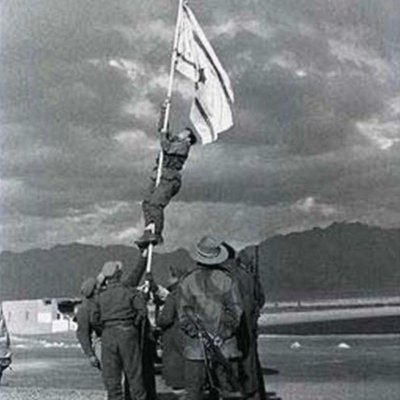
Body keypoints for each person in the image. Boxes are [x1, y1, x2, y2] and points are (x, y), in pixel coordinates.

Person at [177, 236, 243, 400]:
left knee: (194, 394)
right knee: (230, 394)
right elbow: (235, 311)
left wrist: (199, 335)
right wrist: (222, 334)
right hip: (225, 347)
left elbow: (183, 316)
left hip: (196, 349)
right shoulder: (227, 280)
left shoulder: (187, 281)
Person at [136, 101, 197, 248]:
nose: (180, 133)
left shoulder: (184, 146)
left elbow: (166, 146)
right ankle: (148, 230)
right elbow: (163, 128)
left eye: (184, 132)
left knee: (156, 204)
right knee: (147, 204)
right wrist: (164, 109)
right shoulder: (176, 141)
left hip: (169, 178)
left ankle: (156, 233)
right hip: (159, 174)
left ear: (188, 139)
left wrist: (164, 135)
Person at [92, 260, 147, 400]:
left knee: (112, 377)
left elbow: (94, 319)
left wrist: (105, 329)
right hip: (128, 332)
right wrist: (133, 325)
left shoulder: (100, 297)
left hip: (108, 335)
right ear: (119, 274)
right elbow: (142, 312)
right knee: (134, 374)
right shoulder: (129, 292)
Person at [221, 243, 266, 400]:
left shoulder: (224, 277)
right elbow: (261, 299)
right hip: (250, 325)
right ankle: (254, 393)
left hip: (232, 329)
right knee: (251, 361)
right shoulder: (247, 275)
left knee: (232, 367)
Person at [156, 266, 186, 391]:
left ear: (175, 278)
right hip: (188, 336)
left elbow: (166, 319)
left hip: (174, 336)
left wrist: (158, 320)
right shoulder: (191, 293)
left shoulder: (173, 296)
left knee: (176, 371)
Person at [75, 277, 102, 369]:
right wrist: (90, 354)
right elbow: (83, 333)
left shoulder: (102, 302)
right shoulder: (84, 309)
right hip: (101, 343)